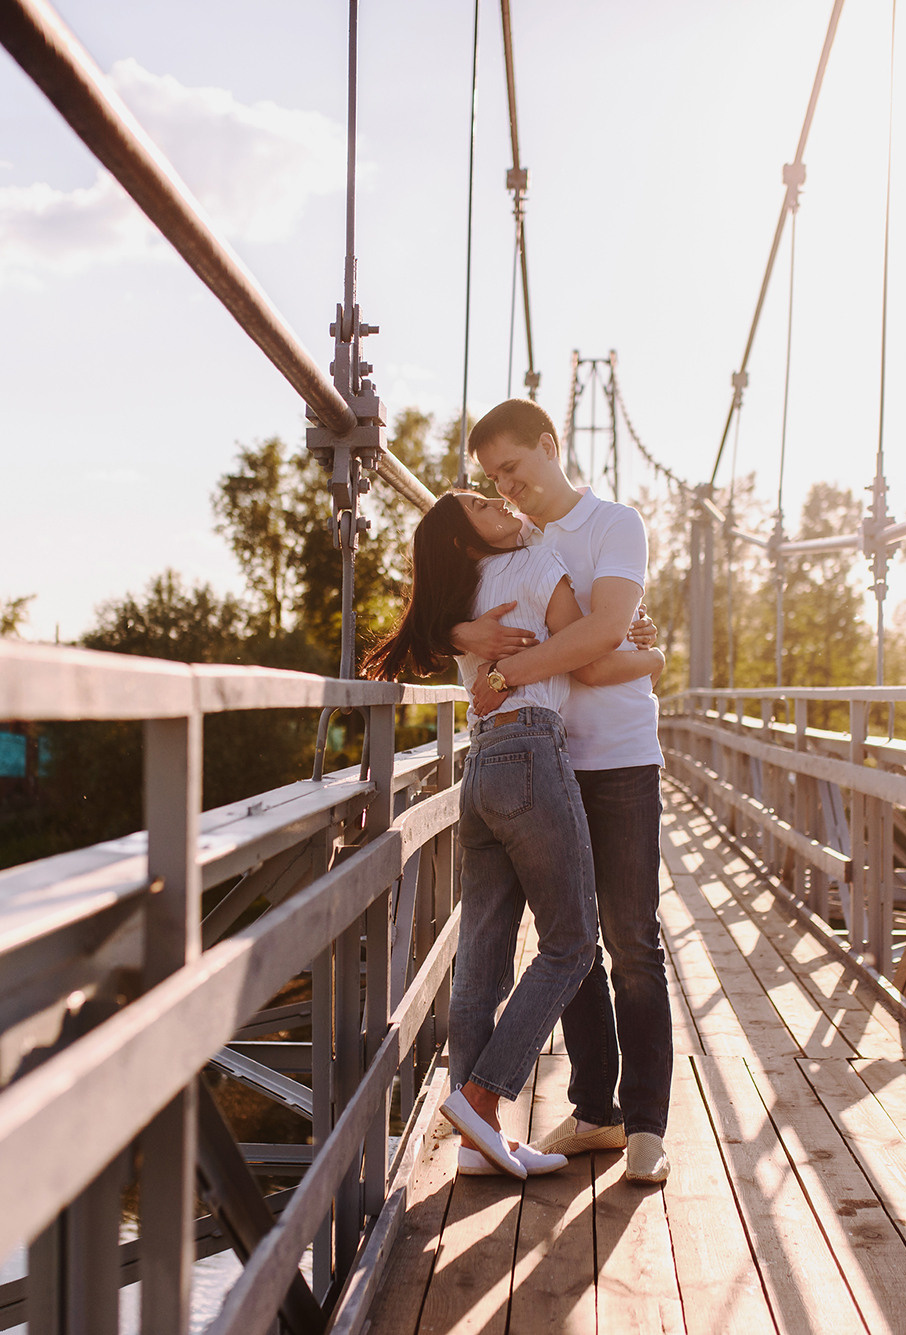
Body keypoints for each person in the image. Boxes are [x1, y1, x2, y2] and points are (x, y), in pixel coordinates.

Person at [363, 489, 663, 1179]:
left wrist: (621, 633)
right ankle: (481, 1098)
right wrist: (649, 658)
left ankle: (474, 1146)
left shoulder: (458, 596)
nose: (502, 504)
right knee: (573, 942)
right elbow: (588, 661)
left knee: (485, 953)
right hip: (533, 751)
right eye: (483, 506)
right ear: (471, 540)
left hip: (482, 766)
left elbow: (444, 634)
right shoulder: (534, 560)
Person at [451, 397, 674, 1185]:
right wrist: (459, 635)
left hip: (617, 757)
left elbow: (597, 639)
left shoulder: (616, 523)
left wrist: (510, 668)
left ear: (548, 446)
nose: (504, 489)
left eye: (512, 468)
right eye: (491, 479)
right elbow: (451, 600)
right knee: (566, 941)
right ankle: (596, 1112)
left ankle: (647, 1124)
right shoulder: (513, 539)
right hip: (544, 764)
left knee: (631, 941)